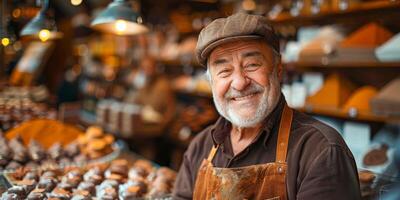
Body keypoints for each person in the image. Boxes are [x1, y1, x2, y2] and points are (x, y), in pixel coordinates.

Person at [173, 12, 361, 200]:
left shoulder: (320, 150)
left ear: (278, 70)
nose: (239, 83)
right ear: (211, 83)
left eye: (252, 64)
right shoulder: (201, 147)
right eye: (224, 71)